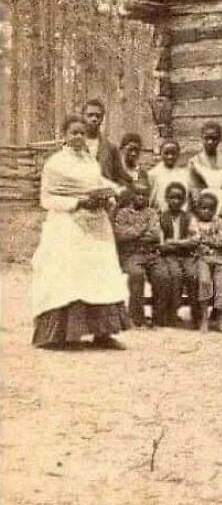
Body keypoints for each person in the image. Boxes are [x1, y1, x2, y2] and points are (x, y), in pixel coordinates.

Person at [31, 113, 130, 350]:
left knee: (101, 275)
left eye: (81, 133)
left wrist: (110, 197)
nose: (78, 137)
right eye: (73, 132)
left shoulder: (90, 162)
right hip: (67, 226)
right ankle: (64, 335)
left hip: (96, 226)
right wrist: (78, 203)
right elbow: (46, 198)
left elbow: (99, 185)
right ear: (64, 136)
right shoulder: (55, 164)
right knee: (70, 276)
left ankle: (103, 333)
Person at [113, 181, 162, 327]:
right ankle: (136, 317)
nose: (141, 197)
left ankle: (158, 317)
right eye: (138, 194)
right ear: (131, 195)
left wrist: (133, 232)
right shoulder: (123, 213)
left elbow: (155, 234)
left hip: (150, 254)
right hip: (131, 254)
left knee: (162, 274)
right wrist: (141, 230)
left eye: (144, 195)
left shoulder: (151, 213)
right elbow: (120, 235)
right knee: (136, 274)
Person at [155, 182, 199, 328]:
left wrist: (175, 242)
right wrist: (180, 244)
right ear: (167, 199)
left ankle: (196, 314)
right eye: (172, 197)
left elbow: (195, 241)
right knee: (175, 275)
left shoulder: (189, 218)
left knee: (193, 274)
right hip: (169, 256)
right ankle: (171, 312)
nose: (176, 201)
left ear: (184, 200)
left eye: (179, 198)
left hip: (187, 256)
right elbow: (162, 245)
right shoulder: (161, 217)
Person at [193, 191, 222, 334]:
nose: (207, 212)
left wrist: (207, 240)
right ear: (198, 209)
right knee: (204, 282)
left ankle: (221, 319)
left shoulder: (220, 223)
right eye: (203, 208)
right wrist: (208, 242)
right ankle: (204, 319)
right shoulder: (194, 224)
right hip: (203, 259)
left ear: (215, 210)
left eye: (210, 209)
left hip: (221, 259)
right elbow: (195, 242)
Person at [188, 121, 222, 217]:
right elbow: (194, 189)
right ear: (202, 138)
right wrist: (202, 212)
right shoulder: (195, 162)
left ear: (219, 139)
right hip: (203, 208)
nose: (210, 142)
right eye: (207, 138)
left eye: (214, 138)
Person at [82, 98, 129, 186]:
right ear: (83, 116)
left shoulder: (111, 148)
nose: (94, 119)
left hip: (104, 195)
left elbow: (119, 176)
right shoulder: (73, 146)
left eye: (98, 116)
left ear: (102, 119)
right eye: (90, 115)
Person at [148, 139, 190, 212]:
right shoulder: (153, 174)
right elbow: (149, 198)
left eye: (173, 153)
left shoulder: (184, 174)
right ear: (161, 153)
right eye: (166, 153)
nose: (170, 156)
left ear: (178, 154)